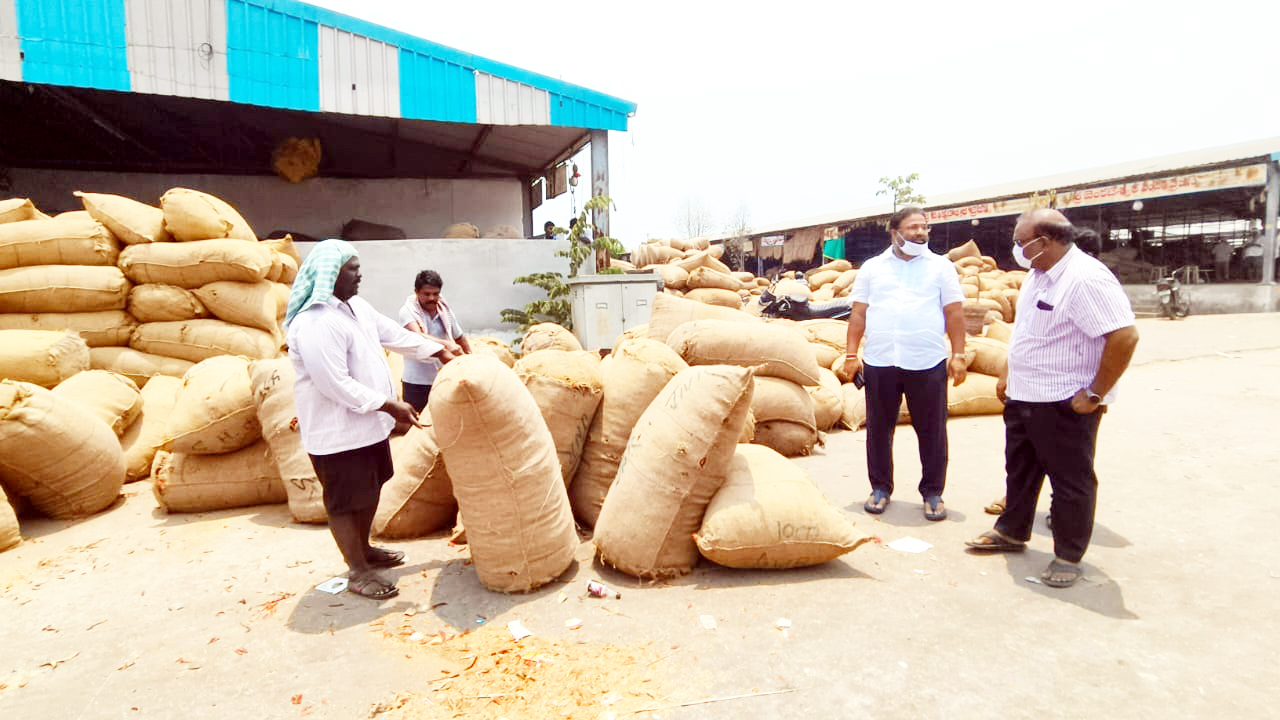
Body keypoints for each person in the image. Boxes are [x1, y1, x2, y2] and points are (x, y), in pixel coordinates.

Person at [965, 209, 1139, 589]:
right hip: (1025, 394)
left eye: (1019, 239)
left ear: (1043, 242)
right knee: (1021, 470)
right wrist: (1009, 371)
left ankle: (1068, 555)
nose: (1015, 247)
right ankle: (1011, 532)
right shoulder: (1036, 275)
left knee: (1070, 480)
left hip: (1064, 400)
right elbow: (1026, 330)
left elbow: (1124, 337)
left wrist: (1094, 393)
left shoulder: (1086, 279)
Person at [286, 240, 455, 600]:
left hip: (367, 428)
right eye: (351, 268)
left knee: (371, 489)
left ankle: (364, 550)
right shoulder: (316, 322)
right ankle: (358, 571)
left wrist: (438, 350)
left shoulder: (356, 308)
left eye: (358, 267)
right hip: (338, 433)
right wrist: (389, 405)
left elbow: (395, 335)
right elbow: (335, 385)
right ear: (329, 275)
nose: (359, 274)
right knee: (346, 502)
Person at [844, 206, 967, 521]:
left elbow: (954, 313)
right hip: (880, 360)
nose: (920, 233)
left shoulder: (941, 267)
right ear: (894, 232)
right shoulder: (872, 268)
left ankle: (933, 493)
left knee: (932, 431)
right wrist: (850, 354)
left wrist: (959, 354)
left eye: (924, 227)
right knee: (879, 430)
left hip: (926, 361)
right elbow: (858, 313)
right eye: (913, 227)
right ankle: (880, 488)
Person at [398, 270, 471, 412]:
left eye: (436, 294)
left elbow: (459, 336)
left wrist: (470, 358)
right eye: (426, 294)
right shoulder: (407, 311)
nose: (432, 298)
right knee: (419, 427)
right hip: (416, 382)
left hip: (443, 378)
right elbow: (417, 336)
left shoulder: (444, 310)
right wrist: (447, 345)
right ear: (416, 292)